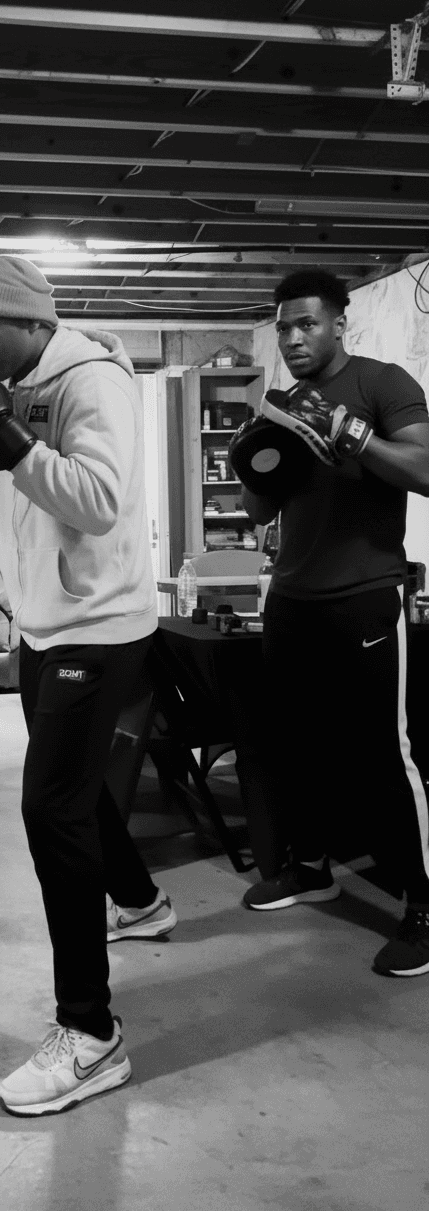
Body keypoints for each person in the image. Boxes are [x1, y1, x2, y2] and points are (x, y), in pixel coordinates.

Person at [0, 254, 176, 1117]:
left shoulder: (93, 383)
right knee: (74, 789)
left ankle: (92, 1037)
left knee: (49, 808)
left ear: (31, 319)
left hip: (100, 625)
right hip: (43, 625)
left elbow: (96, 501)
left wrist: (8, 434)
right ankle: (140, 900)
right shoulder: (5, 386)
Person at [239, 269, 429, 978]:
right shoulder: (281, 402)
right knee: (296, 747)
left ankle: (424, 908)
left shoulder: (383, 384)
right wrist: (264, 453)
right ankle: (310, 867)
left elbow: (426, 467)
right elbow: (261, 512)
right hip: (292, 598)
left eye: (305, 324)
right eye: (283, 326)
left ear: (339, 323)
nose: (291, 338)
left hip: (365, 596)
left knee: (386, 757)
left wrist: (354, 436)